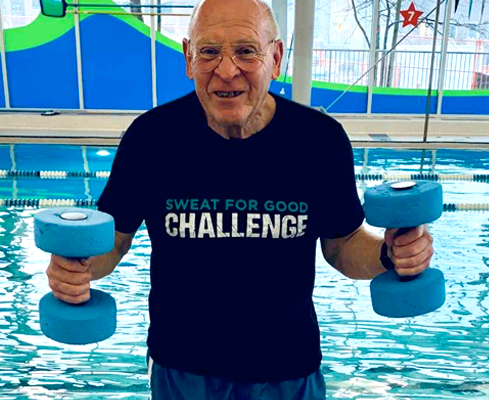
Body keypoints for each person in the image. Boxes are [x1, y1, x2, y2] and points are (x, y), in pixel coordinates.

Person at [45, 0, 435, 398]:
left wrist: (391, 254)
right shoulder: (151, 139)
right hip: (182, 369)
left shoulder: (319, 141)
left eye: (246, 51)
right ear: (188, 58)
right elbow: (114, 239)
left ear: (276, 58)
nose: (227, 70)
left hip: (287, 370)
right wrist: (78, 268)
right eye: (209, 52)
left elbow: (343, 243)